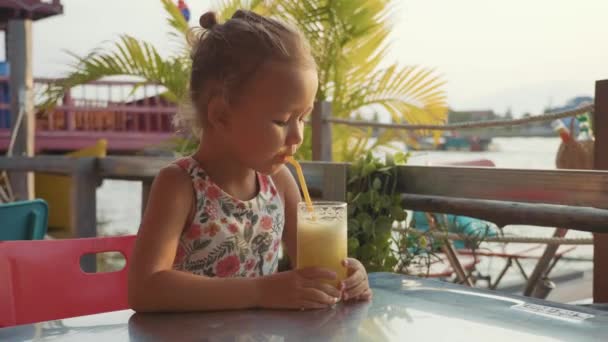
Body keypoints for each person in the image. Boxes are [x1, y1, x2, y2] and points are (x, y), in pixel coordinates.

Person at [128, 9, 372, 312]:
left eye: (303, 118)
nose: (297, 136)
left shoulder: (279, 182)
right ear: (221, 115)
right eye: (281, 120)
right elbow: (144, 289)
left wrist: (347, 275)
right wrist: (259, 291)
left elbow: (313, 269)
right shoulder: (181, 185)